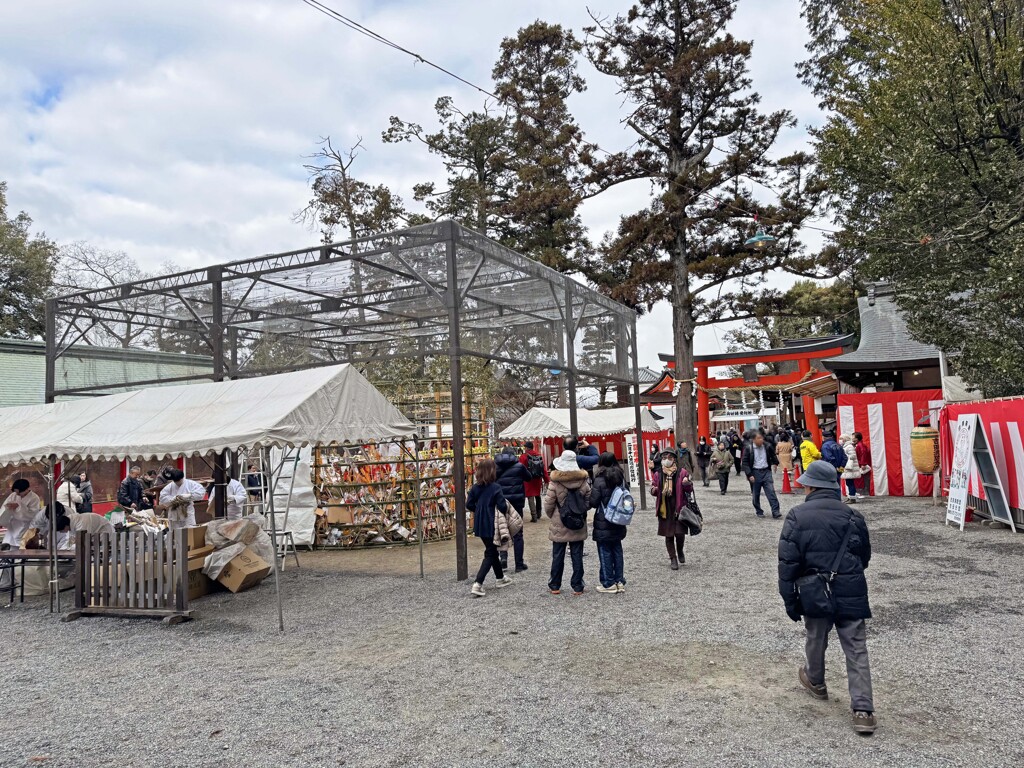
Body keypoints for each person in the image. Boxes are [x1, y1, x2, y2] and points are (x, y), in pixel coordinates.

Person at [778, 460, 876, 735]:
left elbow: (788, 563)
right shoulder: (853, 516)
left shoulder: (797, 516)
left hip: (815, 590)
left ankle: (815, 680)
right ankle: (863, 710)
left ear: (811, 487)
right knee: (856, 647)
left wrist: (790, 600)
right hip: (850, 588)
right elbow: (864, 556)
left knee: (816, 637)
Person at [544, 450, 591, 595]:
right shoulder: (583, 481)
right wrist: (579, 511)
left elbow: (548, 504)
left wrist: (554, 516)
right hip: (577, 522)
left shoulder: (555, 482)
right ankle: (578, 586)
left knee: (558, 554)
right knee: (577, 555)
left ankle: (555, 585)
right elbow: (588, 501)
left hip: (559, 522)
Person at [466, 458, 515, 597]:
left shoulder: (475, 488)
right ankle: (478, 583)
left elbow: (468, 504)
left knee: (491, 550)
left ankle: (500, 578)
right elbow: (502, 507)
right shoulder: (495, 487)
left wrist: (478, 509)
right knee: (490, 553)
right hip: (492, 522)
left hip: (480, 523)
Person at [589, 452, 627, 594]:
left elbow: (593, 502)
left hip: (603, 519)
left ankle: (608, 582)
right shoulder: (621, 478)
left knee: (604, 550)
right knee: (617, 549)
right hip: (618, 519)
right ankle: (619, 581)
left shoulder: (599, 479)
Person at [652, 452, 698, 569]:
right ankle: (673, 558)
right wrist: (654, 490)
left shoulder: (682, 472)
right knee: (668, 535)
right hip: (665, 508)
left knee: (680, 533)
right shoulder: (658, 473)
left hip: (679, 507)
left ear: (674, 459)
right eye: (664, 458)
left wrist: (687, 483)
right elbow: (654, 489)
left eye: (669, 458)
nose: (667, 460)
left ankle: (680, 550)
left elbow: (689, 489)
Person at [495, 449, 532, 572]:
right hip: (517, 503)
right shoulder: (519, 466)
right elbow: (529, 478)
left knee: (502, 530)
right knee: (518, 533)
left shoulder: (495, 467)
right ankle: (519, 564)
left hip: (501, 502)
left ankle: (503, 559)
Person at [741, 431, 781, 518]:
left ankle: (775, 511)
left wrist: (775, 463)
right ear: (753, 439)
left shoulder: (767, 446)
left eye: (762, 438)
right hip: (755, 472)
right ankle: (759, 510)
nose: (761, 440)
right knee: (756, 493)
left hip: (766, 471)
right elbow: (745, 462)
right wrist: (749, 474)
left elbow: (773, 455)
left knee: (771, 492)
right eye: (758, 438)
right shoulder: (749, 448)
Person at [1, 479, 43, 549]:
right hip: (13, 525)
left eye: (19, 493)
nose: (17, 494)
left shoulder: (34, 498)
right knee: (9, 545)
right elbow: (5, 506)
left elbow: (32, 515)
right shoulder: (13, 495)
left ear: (27, 489)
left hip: (25, 526)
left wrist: (19, 507)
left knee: (22, 545)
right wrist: (8, 507)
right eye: (16, 492)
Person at [519, 440, 549, 523]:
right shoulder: (539, 455)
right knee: (537, 495)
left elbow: (520, 468)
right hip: (537, 479)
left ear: (526, 448)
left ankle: (534, 516)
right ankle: (539, 513)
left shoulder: (523, 457)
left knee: (530, 497)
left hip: (528, 480)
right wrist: (546, 479)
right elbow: (543, 469)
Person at [839, 434, 863, 504]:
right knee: (849, 483)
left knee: (850, 483)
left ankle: (852, 498)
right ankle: (851, 497)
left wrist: (844, 457)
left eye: (841, 438)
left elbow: (852, 456)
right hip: (848, 468)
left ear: (845, 439)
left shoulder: (849, 446)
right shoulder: (846, 446)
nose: (840, 440)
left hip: (850, 468)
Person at [854, 433, 871, 499]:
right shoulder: (860, 445)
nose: (852, 439)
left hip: (860, 464)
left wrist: (863, 464)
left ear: (857, 438)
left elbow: (863, 454)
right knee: (862, 479)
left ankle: (861, 493)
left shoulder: (860, 445)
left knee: (861, 479)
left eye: (853, 437)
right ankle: (862, 492)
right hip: (860, 463)